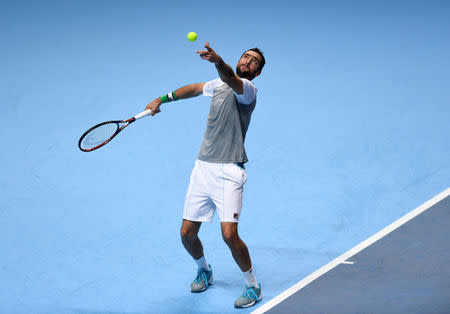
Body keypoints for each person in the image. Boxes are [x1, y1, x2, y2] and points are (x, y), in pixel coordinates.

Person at [146, 41, 265, 308]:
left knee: (229, 235)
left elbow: (227, 76)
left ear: (257, 73)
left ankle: (253, 286)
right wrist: (161, 99)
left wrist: (217, 60)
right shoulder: (218, 84)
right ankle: (204, 269)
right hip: (203, 167)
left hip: (229, 171)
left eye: (253, 61)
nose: (247, 61)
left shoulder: (247, 90)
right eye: (245, 56)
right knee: (187, 234)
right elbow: (194, 89)